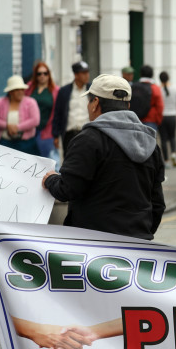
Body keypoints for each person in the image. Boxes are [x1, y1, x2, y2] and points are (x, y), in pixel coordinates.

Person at [41, 74, 165, 239]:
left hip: (94, 246)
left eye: (90, 101)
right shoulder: (151, 144)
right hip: (138, 244)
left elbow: (67, 189)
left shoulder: (87, 140)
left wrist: (51, 180)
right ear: (127, 105)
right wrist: (144, 232)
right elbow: (157, 203)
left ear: (95, 103)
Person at [51, 60, 91, 154]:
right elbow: (57, 113)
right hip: (70, 134)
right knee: (70, 163)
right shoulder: (64, 91)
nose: (87, 75)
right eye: (84, 73)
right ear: (76, 75)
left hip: (88, 133)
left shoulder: (92, 90)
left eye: (87, 72)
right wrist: (55, 135)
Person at [0, 76, 40, 154]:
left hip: (26, 144)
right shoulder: (0, 103)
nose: (20, 92)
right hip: (4, 144)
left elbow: (35, 120)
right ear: (10, 92)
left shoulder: (31, 102)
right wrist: (7, 126)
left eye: (22, 89)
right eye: (17, 90)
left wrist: (17, 127)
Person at [26, 62, 59, 159]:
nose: (42, 76)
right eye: (39, 73)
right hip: (29, 130)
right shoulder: (29, 88)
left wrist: (56, 135)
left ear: (49, 74)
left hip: (47, 131)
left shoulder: (55, 90)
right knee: (30, 160)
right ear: (35, 75)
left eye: (45, 73)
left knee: (47, 160)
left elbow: (58, 113)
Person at [158, 71, 176, 167]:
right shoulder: (175, 88)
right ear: (168, 78)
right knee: (172, 136)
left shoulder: (158, 89)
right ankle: (173, 153)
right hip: (172, 115)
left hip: (162, 116)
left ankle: (166, 160)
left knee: (163, 139)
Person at [134, 65, 164, 132]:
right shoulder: (155, 88)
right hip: (151, 120)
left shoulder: (134, 86)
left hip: (136, 120)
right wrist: (158, 120)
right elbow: (160, 106)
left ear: (140, 74)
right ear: (152, 75)